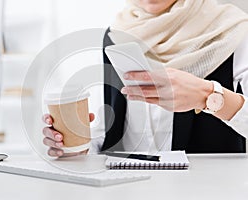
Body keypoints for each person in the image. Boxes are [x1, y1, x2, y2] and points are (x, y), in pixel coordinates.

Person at [42, 0, 248, 157]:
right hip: (128, 188)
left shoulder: (232, 31)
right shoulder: (116, 34)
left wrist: (209, 96)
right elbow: (110, 130)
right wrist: (80, 148)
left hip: (208, 190)